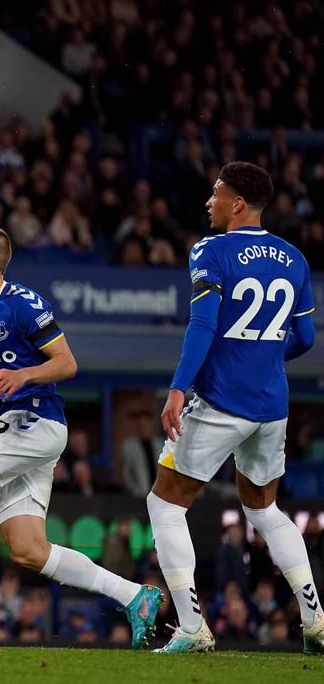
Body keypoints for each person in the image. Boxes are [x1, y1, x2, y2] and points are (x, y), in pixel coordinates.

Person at [0, 225, 162, 650]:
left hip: (38, 420)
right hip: (19, 425)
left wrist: (24, 374)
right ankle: (136, 595)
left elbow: (67, 363)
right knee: (28, 550)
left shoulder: (24, 305)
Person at [148, 161, 321, 654]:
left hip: (221, 401)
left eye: (216, 193)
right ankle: (316, 620)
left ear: (237, 203)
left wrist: (179, 387)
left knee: (164, 503)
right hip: (272, 405)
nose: (209, 202)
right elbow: (305, 337)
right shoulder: (294, 258)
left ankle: (192, 628)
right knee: (264, 509)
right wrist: (262, 358)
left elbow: (202, 325)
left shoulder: (211, 250)